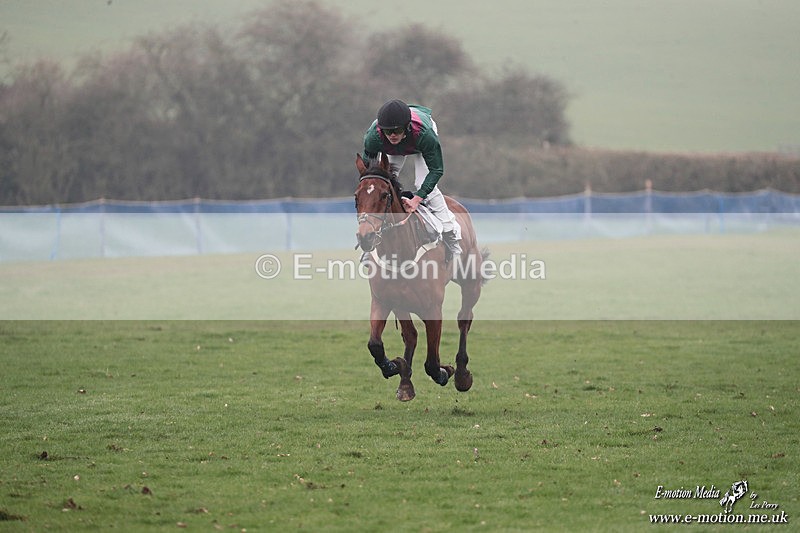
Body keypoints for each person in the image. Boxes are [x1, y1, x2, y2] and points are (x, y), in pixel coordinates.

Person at [362, 99, 461, 257]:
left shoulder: (425, 135)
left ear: (407, 126)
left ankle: (451, 234)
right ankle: (372, 241)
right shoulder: (373, 138)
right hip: (395, 148)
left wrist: (417, 199)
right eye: (388, 132)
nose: (393, 135)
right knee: (384, 183)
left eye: (397, 130)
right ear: (381, 130)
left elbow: (436, 170)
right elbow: (370, 177)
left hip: (418, 141)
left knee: (421, 182)